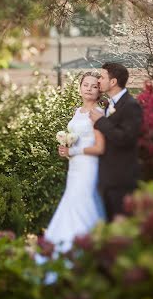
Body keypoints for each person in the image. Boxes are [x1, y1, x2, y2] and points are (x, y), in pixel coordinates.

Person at [43, 72, 106, 252]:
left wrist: (73, 150)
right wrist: (67, 151)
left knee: (82, 200)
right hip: (75, 166)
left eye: (94, 86)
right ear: (79, 88)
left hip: (89, 166)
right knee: (71, 200)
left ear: (99, 92)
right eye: (86, 85)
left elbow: (100, 148)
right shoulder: (77, 112)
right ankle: (66, 243)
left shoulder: (98, 113)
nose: (89, 89)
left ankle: (83, 246)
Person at [89, 62, 143, 221]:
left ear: (113, 82)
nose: (98, 80)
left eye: (102, 77)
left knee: (121, 228)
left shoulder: (131, 106)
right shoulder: (108, 105)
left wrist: (101, 122)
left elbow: (125, 138)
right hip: (106, 179)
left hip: (121, 179)